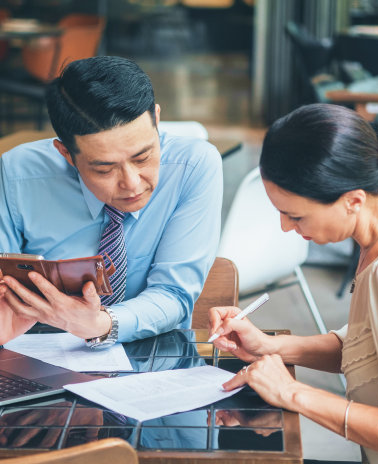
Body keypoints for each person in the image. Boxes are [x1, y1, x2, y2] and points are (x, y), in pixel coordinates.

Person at [208, 104, 378, 463]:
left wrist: (292, 393)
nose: (284, 227)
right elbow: (374, 346)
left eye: (295, 215)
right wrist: (271, 346)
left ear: (353, 201)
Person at [0, 56, 222, 347]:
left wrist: (101, 324)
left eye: (143, 157)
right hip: (35, 348)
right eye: (104, 169)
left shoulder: (193, 167)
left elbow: (174, 293)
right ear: (66, 153)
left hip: (152, 352)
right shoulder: (17, 176)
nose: (132, 183)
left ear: (156, 118)